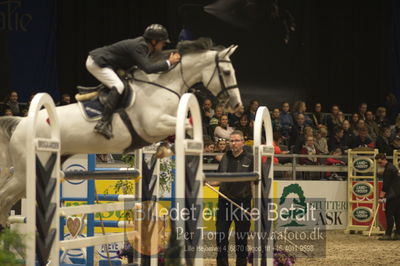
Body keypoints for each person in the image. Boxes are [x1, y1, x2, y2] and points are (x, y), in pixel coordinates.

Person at [86, 24, 181, 139]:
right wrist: (169, 62)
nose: (164, 45)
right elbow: (148, 68)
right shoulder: (139, 46)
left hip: (110, 64)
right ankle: (103, 123)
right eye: (163, 42)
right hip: (97, 62)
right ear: (154, 41)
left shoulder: (145, 48)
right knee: (118, 86)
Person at [211, 130, 254, 266]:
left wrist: (257, 204)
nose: (233, 143)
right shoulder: (225, 158)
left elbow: (254, 183)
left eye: (236, 140)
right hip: (224, 203)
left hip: (243, 203)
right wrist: (205, 182)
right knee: (221, 237)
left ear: (243, 142)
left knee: (241, 239)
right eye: (231, 141)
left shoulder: (250, 159)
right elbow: (219, 180)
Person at [376, 153, 400, 240]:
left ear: (383, 159)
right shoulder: (392, 167)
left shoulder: (388, 169)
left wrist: (381, 196)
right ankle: (398, 233)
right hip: (398, 193)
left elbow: (386, 184)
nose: (379, 164)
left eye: (380, 162)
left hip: (392, 195)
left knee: (389, 214)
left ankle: (388, 234)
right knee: (397, 214)